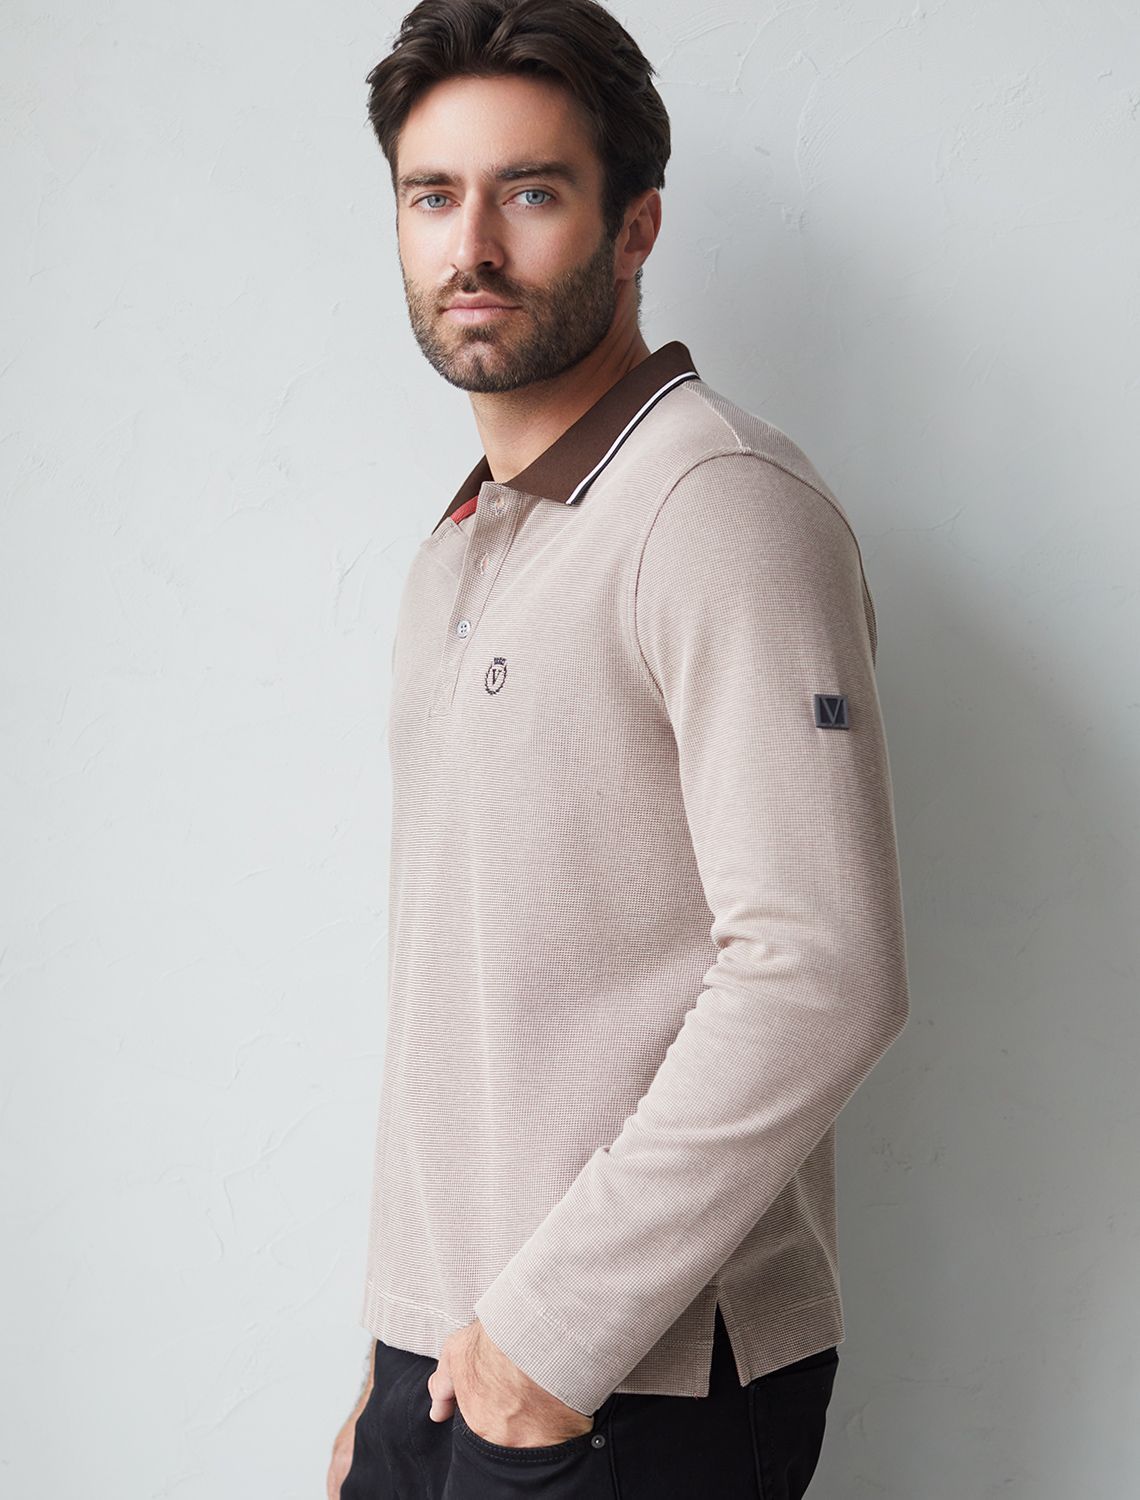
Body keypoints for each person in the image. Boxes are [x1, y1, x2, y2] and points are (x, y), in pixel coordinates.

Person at [328, 1, 910, 1495]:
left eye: (530, 192)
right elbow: (466, 992)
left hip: (627, 1380)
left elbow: (821, 969)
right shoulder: (462, 545)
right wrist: (392, 1364)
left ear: (635, 224)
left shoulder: (719, 508)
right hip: (446, 1366)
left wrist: (543, 1344)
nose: (472, 245)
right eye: (432, 196)